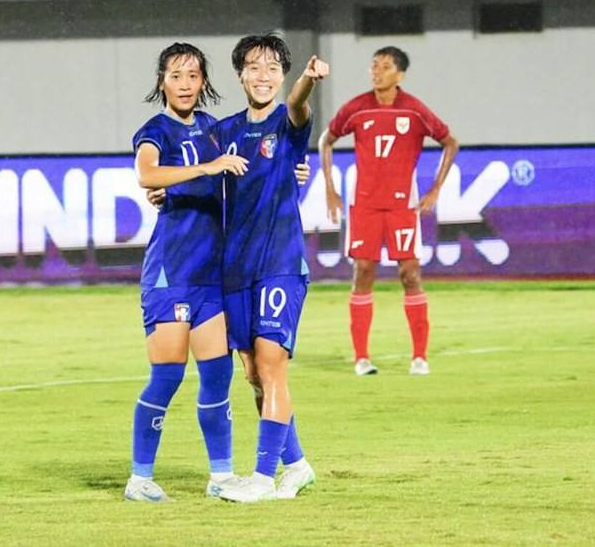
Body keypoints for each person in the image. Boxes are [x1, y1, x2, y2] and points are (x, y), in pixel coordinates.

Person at [125, 42, 249, 502]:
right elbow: (147, 174)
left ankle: (221, 476)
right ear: (162, 82)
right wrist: (205, 169)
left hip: (210, 276)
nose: (184, 84)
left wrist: (293, 173)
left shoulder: (216, 130)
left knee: (218, 375)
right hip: (170, 274)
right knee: (168, 376)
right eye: (175, 76)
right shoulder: (155, 130)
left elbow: (247, 169)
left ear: (204, 82)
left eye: (193, 76)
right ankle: (139, 478)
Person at [214, 33, 328, 503]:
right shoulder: (223, 132)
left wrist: (308, 79)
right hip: (235, 267)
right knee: (254, 374)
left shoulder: (288, 121)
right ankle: (296, 465)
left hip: (279, 262)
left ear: (283, 76)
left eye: (273, 68)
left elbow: (299, 105)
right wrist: (162, 192)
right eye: (254, 67)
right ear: (240, 75)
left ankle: (262, 479)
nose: (264, 76)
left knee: (271, 364)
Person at [317, 46, 459, 377]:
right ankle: (362, 358)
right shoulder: (357, 108)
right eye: (374, 65)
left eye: (385, 66)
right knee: (363, 271)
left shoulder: (414, 110)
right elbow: (326, 139)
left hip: (402, 205)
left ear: (400, 74)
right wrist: (330, 188)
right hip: (365, 205)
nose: (377, 71)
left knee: (410, 274)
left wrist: (435, 188)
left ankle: (419, 357)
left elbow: (450, 142)